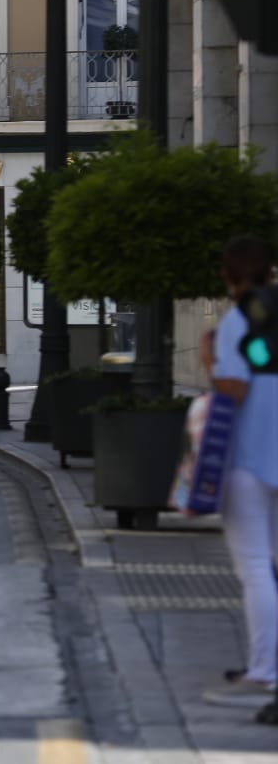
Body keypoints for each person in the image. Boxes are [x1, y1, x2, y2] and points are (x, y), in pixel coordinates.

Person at [200, 235, 278, 708]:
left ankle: (264, 672)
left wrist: (209, 360)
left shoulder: (237, 322)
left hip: (249, 458)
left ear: (228, 275)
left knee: (254, 567)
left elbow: (234, 386)